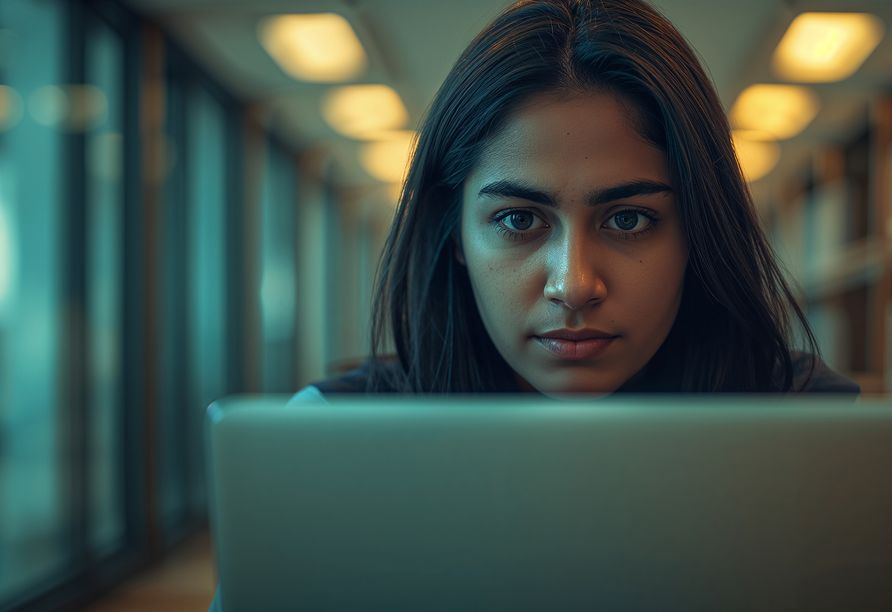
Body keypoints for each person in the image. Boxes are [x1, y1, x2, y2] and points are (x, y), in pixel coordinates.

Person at [296, 0, 858, 399]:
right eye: (518, 219)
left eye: (629, 219)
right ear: (456, 232)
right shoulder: (327, 438)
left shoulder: (814, 430)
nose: (575, 285)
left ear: (699, 230)